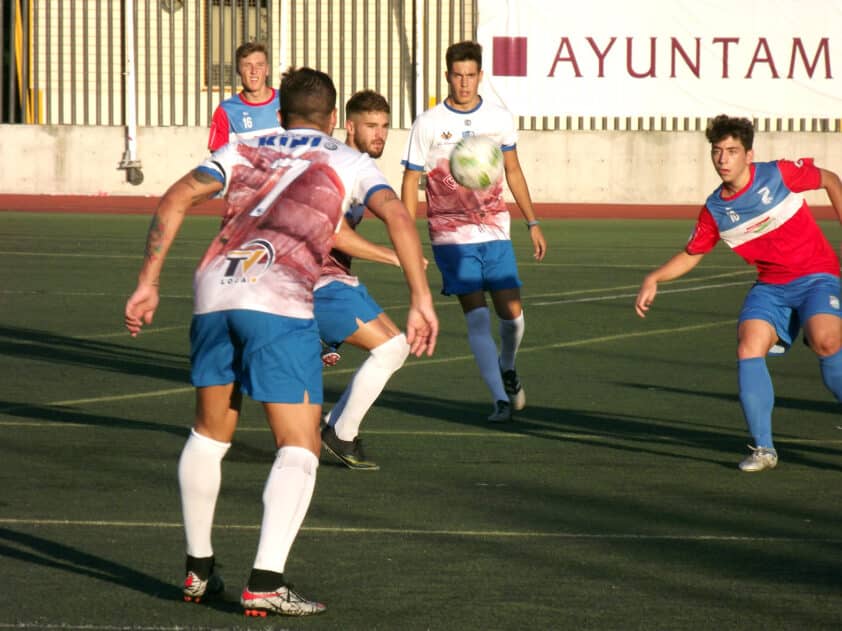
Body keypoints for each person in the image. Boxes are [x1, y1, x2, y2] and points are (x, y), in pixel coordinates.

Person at [124, 67, 438, 617]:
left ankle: (199, 571)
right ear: (334, 118)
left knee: (209, 434)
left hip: (215, 288)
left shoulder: (243, 145)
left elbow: (174, 198)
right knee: (299, 444)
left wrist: (148, 282)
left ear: (281, 112)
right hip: (279, 297)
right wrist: (420, 297)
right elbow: (397, 218)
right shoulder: (348, 159)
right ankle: (266, 581)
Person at [635, 114, 842, 473]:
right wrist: (654, 277)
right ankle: (764, 449)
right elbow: (692, 254)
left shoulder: (779, 174)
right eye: (717, 152)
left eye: (732, 151)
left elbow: (830, 180)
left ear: (749, 154)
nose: (723, 159)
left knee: (826, 342)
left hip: (817, 276)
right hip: (771, 287)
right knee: (749, 345)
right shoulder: (715, 209)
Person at [400, 40, 547, 422]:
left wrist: (532, 222)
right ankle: (499, 398)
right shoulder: (429, 123)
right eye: (457, 76)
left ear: (480, 76)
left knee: (512, 314)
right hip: (450, 235)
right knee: (477, 317)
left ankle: (508, 367)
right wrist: (408, 235)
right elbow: (410, 178)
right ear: (448, 76)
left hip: (495, 228)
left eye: (470, 75)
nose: (464, 83)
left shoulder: (499, 118)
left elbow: (512, 170)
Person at [316, 90, 414, 471]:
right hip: (315, 282)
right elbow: (332, 231)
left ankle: (335, 427)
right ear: (350, 125)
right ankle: (340, 434)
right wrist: (392, 255)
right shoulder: (340, 166)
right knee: (391, 348)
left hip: (336, 278)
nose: (380, 134)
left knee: (398, 346)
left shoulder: (360, 167)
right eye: (372, 126)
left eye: (385, 126)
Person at [207, 41, 283, 152]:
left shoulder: (287, 101)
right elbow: (217, 158)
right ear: (238, 70)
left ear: (267, 70)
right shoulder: (226, 111)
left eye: (259, 65)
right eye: (247, 65)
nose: (254, 71)